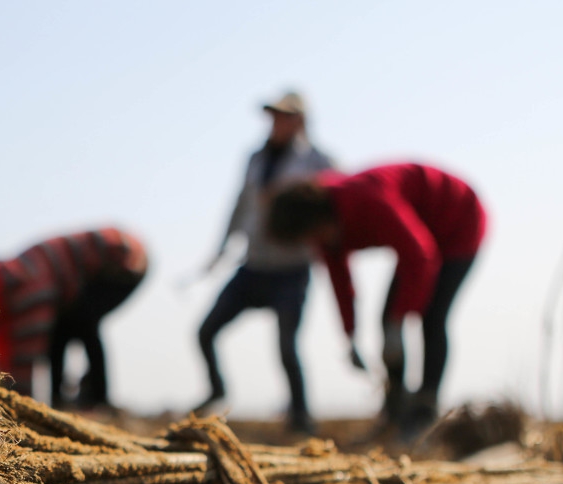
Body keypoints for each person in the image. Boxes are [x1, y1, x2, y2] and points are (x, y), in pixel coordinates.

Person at [267, 163, 487, 437]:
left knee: (431, 317)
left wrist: (399, 319)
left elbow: (421, 254)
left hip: (458, 219)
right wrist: (350, 336)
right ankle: (394, 412)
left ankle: (424, 411)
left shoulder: (366, 200)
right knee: (387, 318)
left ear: (316, 218)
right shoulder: (325, 235)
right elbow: (341, 281)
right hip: (420, 237)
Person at [198, 91, 334, 433]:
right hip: (253, 264)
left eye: (283, 117)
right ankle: (216, 390)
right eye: (272, 116)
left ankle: (301, 418)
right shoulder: (255, 159)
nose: (275, 123)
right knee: (206, 331)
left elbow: (333, 210)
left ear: (299, 121)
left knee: (288, 347)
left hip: (292, 268)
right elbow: (240, 203)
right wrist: (221, 249)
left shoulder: (319, 161)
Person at [0, 227, 147, 408]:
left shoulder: (29, 295)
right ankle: (61, 400)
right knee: (62, 329)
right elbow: (4, 351)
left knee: (79, 323)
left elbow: (25, 357)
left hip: (124, 255)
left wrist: (19, 407)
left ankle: (97, 400)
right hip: (81, 265)